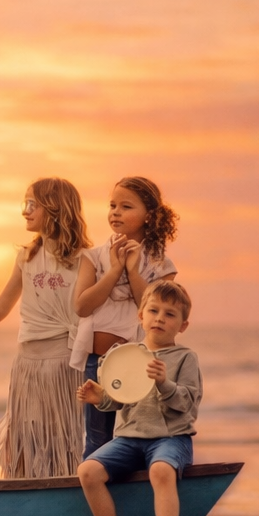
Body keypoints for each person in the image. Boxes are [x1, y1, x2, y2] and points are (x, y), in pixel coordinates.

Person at [76, 280, 201, 516]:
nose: (160, 318)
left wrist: (164, 383)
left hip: (170, 437)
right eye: (154, 310)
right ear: (140, 316)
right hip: (129, 438)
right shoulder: (127, 355)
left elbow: (187, 404)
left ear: (182, 325)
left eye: (170, 314)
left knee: (160, 470)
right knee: (88, 471)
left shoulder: (185, 358)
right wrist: (100, 398)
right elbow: (122, 399)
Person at [0, 178, 90, 478]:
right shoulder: (27, 256)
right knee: (21, 439)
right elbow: (4, 301)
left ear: (54, 209)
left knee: (63, 440)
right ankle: (20, 497)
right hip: (26, 363)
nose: (24, 212)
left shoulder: (84, 260)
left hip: (64, 363)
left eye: (31, 204)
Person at [72, 177, 179, 459]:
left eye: (126, 206)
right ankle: (92, 489)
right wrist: (114, 270)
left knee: (137, 431)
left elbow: (151, 311)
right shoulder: (93, 257)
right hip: (98, 362)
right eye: (112, 205)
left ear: (149, 216)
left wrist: (132, 272)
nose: (115, 212)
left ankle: (136, 490)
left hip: (137, 362)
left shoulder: (160, 264)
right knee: (96, 436)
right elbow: (82, 306)